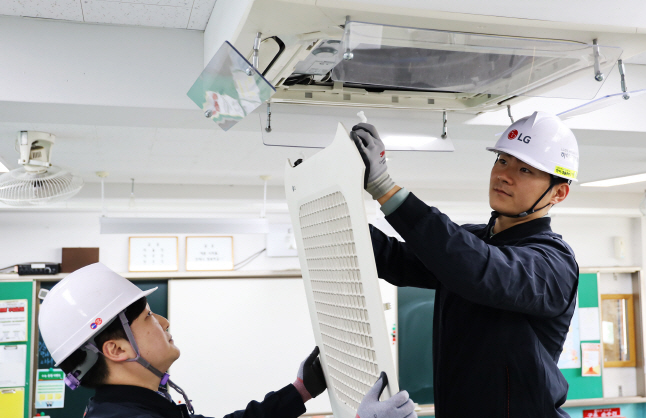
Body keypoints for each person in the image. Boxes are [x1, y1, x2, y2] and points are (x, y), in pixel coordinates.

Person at [350, 111, 580, 418]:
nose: (504, 174)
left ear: (558, 193)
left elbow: (479, 269)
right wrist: (338, 208)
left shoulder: (554, 263)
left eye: (525, 170)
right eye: (502, 160)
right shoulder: (474, 239)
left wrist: (385, 188)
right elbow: (396, 260)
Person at [39, 263, 416, 418]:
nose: (165, 321)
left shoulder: (134, 407)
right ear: (117, 350)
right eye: (149, 317)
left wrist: (299, 391)